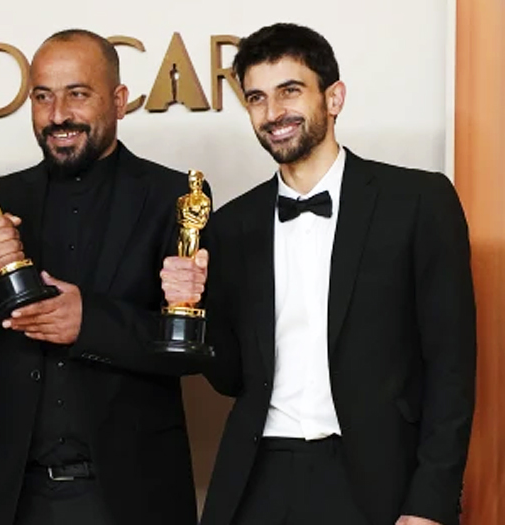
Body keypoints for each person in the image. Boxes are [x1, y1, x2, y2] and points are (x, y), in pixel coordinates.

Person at [161, 22, 476, 525]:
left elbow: (451, 369)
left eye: (290, 91)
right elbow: (231, 378)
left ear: (334, 98)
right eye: (257, 98)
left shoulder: (418, 202)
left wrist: (430, 503)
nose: (273, 113)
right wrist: (195, 308)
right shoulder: (231, 226)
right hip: (257, 478)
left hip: (375, 480)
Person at [0, 29, 206, 525]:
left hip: (131, 498)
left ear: (119, 102)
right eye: (43, 96)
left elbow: (202, 350)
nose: (58, 115)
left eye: (78, 94)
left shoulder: (174, 199)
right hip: (12, 499)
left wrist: (91, 322)